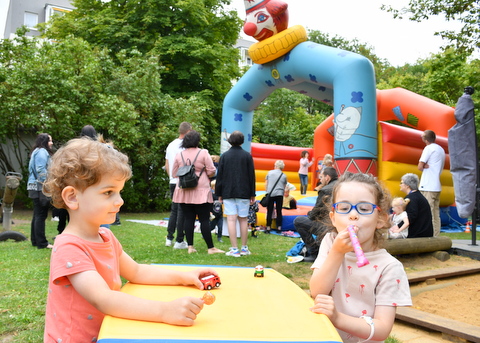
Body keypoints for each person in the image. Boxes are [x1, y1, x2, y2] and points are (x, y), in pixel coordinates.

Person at [43, 138, 218, 342]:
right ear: (72, 197)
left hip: (108, 333)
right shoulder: (69, 246)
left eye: (119, 192)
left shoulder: (105, 236)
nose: (120, 201)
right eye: (108, 192)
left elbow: (136, 271)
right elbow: (104, 298)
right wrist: (164, 311)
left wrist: (184, 276)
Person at [309, 172, 412, 343]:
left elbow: (382, 329)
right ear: (333, 218)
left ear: (380, 219)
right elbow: (317, 291)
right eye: (344, 208)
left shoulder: (389, 267)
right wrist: (337, 252)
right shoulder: (331, 242)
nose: (353, 215)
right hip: (328, 338)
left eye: (364, 209)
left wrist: (337, 318)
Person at [172, 130, 224, 254]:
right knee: (204, 219)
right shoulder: (203, 152)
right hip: (201, 190)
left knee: (188, 219)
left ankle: (190, 247)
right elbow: (212, 170)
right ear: (197, 141)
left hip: (184, 190)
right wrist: (203, 172)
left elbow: (174, 173)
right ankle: (210, 248)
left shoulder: (179, 155)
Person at [215, 131, 256, 257]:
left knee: (231, 219)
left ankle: (234, 249)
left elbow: (220, 176)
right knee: (243, 219)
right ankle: (244, 248)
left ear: (230, 141)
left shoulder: (225, 156)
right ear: (242, 141)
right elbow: (251, 176)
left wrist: (219, 193)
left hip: (227, 191)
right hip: (244, 192)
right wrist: (252, 194)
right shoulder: (247, 156)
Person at [293, 167, 338, 261]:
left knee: (299, 221)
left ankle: (314, 253)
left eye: (321, 177)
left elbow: (315, 212)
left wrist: (309, 215)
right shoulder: (342, 186)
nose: (320, 180)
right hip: (341, 225)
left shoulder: (325, 190)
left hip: (328, 227)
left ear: (327, 178)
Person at [165, 122, 191, 249]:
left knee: (174, 210)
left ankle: (169, 237)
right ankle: (180, 239)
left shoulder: (171, 145)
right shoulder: (185, 146)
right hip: (182, 181)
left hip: (172, 181)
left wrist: (171, 176)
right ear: (188, 131)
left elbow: (167, 164)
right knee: (182, 212)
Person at [27, 133, 54, 249]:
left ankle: (35, 240)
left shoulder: (36, 151)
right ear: (44, 142)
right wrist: (47, 184)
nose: (51, 143)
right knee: (41, 215)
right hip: (39, 187)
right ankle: (42, 243)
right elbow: (41, 170)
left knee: (37, 214)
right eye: (50, 141)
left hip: (33, 186)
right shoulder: (42, 152)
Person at [418, 130, 445, 236]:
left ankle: (429, 235)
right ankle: (436, 234)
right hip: (436, 185)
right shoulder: (440, 149)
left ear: (425, 138)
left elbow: (420, 166)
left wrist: (423, 166)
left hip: (428, 185)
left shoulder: (428, 148)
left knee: (427, 212)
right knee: (435, 213)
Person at [400, 173, 434, 238]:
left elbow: (411, 216)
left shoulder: (412, 198)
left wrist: (398, 226)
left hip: (417, 235)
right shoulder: (418, 196)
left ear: (407, 185)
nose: (400, 185)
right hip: (425, 233)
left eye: (401, 183)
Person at [265, 160, 287, 233]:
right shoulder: (283, 175)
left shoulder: (270, 173)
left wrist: (267, 191)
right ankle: (279, 227)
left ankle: (268, 227)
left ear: (276, 166)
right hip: (279, 194)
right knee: (279, 211)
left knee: (269, 211)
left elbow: (266, 184)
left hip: (271, 194)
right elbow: (284, 186)